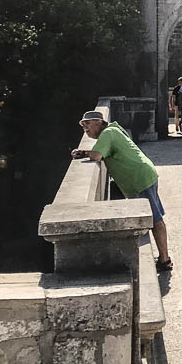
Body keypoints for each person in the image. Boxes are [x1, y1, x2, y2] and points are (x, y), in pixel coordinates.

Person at [73, 110, 172, 271]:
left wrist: (83, 152)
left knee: (155, 220)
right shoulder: (114, 129)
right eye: (82, 125)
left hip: (139, 178)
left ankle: (165, 260)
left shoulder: (108, 133)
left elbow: (97, 155)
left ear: (98, 122)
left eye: (87, 124)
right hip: (144, 173)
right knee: (155, 218)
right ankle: (163, 257)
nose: (84, 127)